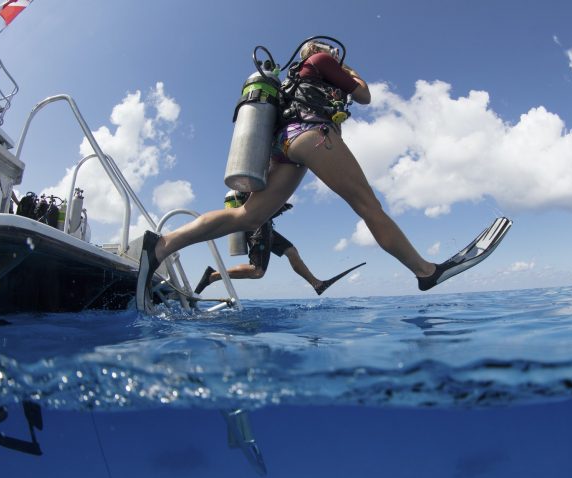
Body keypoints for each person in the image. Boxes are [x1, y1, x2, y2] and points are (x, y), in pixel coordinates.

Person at [137, 39, 509, 311]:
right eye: (325, 50)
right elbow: (363, 96)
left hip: (285, 146)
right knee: (368, 206)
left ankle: (162, 245)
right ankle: (425, 271)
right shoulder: (320, 61)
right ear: (314, 51)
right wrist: (350, 71)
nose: (331, 53)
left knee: (248, 216)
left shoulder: (290, 82)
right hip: (312, 135)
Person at [194, 191, 365, 296]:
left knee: (291, 251)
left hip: (265, 224)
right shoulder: (257, 178)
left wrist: (278, 208)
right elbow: (256, 204)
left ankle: (317, 284)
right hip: (258, 226)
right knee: (257, 271)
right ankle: (213, 275)